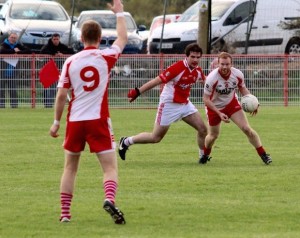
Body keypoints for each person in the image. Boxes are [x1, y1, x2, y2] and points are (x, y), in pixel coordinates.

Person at [49, 0, 128, 224]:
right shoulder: (106, 57)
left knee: (70, 168)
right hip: (98, 119)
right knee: (110, 167)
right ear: (101, 38)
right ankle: (109, 198)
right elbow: (123, 39)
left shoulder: (70, 62)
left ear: (81, 39)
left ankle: (65, 214)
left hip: (75, 120)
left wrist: (56, 121)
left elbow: (62, 95)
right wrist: (119, 14)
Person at [118, 43, 207, 162]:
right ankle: (126, 141)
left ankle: (203, 157)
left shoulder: (198, 71)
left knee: (203, 129)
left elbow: (208, 83)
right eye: (192, 57)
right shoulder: (177, 68)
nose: (195, 60)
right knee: (155, 138)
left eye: (198, 57)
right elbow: (157, 81)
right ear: (186, 56)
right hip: (169, 105)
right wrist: (138, 91)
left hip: (185, 105)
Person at [199, 52, 272, 165]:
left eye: (227, 64)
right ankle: (205, 154)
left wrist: (254, 102)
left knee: (247, 129)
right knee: (213, 136)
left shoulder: (237, 74)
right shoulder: (212, 78)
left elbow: (243, 89)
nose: (224, 67)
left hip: (231, 104)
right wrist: (219, 113)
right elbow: (206, 99)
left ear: (231, 64)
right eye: (222, 64)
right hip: (214, 107)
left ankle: (264, 155)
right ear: (218, 64)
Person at [40, 33, 75, 108]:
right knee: (47, 87)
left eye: (57, 39)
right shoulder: (47, 46)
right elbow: (42, 52)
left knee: (55, 87)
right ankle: (47, 104)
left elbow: (72, 51)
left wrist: (62, 54)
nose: (56, 41)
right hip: (49, 69)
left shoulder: (62, 46)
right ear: (52, 39)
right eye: (54, 39)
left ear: (59, 39)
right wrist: (54, 54)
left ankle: (52, 103)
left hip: (58, 69)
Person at [0, 32, 31, 108]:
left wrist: (19, 52)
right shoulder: (3, 44)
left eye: (15, 38)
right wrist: (14, 51)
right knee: (1, 90)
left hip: (13, 72)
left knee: (13, 90)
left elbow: (28, 51)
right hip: (2, 72)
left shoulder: (18, 45)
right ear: (8, 38)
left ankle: (14, 106)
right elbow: (2, 51)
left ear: (16, 39)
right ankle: (1, 106)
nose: (13, 39)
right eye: (12, 37)